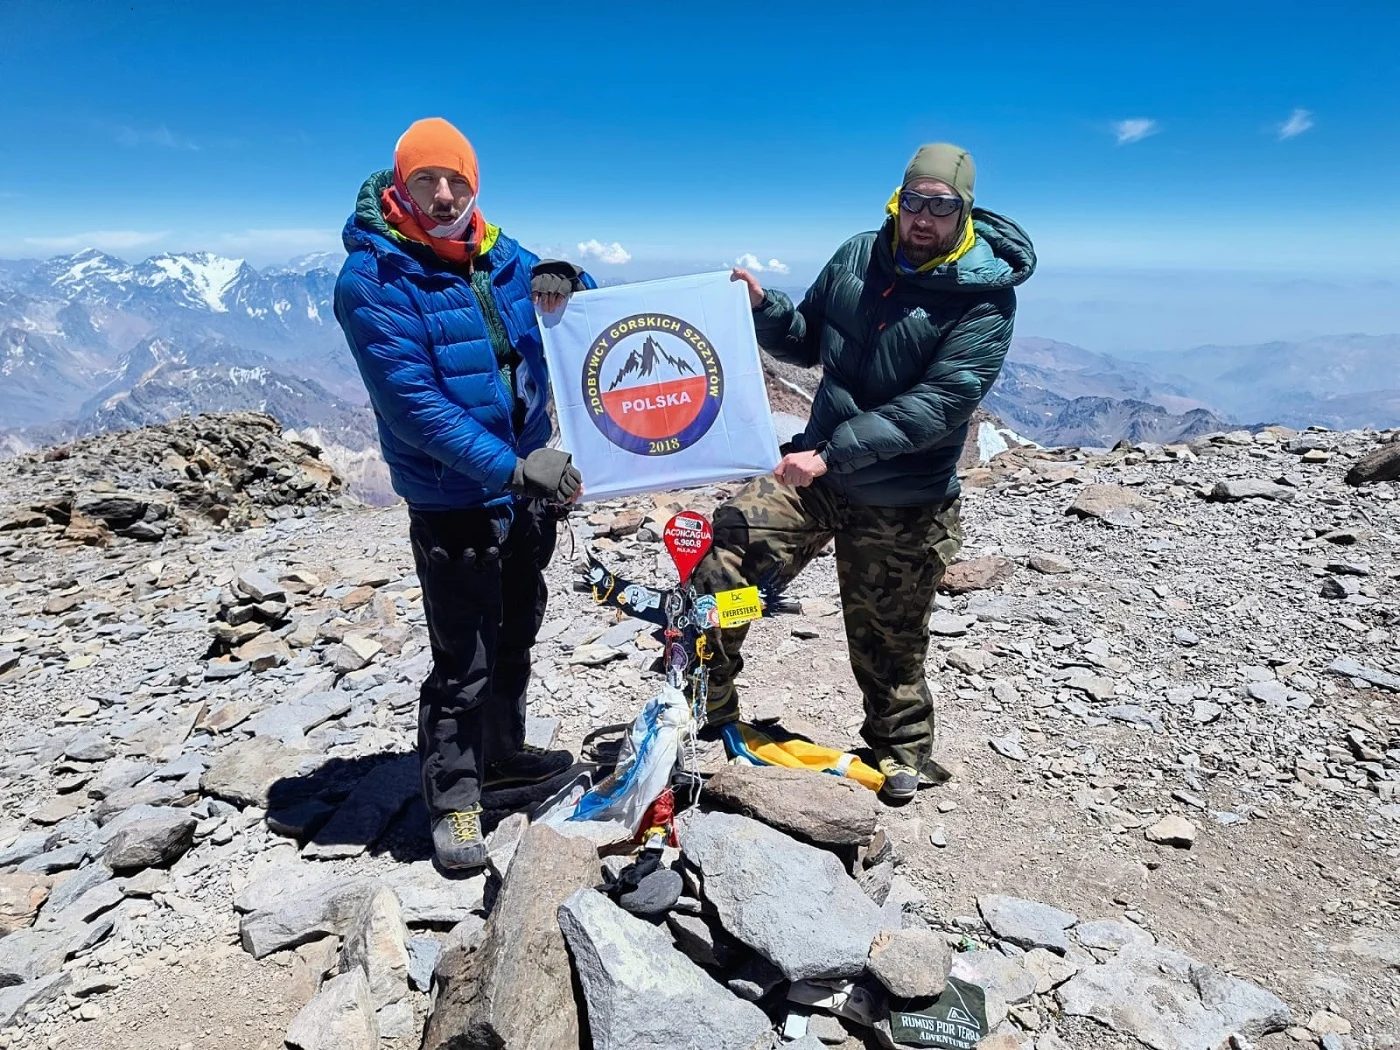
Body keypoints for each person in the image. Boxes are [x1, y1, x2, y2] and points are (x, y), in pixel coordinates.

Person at [693, 143, 1036, 804]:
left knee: (888, 638)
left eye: (943, 205)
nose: (925, 218)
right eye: (915, 202)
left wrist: (829, 452)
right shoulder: (858, 255)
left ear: (965, 211)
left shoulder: (987, 300)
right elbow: (807, 337)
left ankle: (900, 749)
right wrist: (768, 310)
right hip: (819, 473)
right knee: (726, 550)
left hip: (904, 498)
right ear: (897, 201)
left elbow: (937, 407)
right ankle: (708, 701)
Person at [333, 117, 592, 870]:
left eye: (456, 180)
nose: (443, 195)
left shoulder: (502, 254)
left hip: (527, 497)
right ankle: (454, 801)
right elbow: (414, 408)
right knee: (465, 658)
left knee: (515, 634)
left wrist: (573, 280)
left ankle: (502, 757)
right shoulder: (372, 279)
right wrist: (513, 470)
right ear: (399, 187)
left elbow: (583, 326)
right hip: (457, 501)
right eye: (426, 181)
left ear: (474, 184)